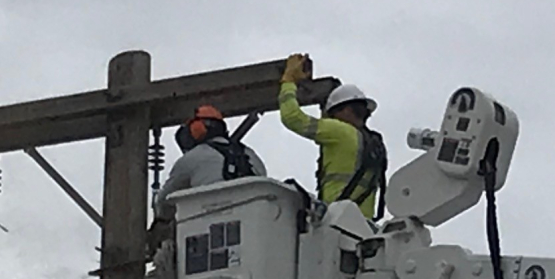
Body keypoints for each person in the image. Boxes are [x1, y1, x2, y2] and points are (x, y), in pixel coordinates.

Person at [278, 53, 388, 220]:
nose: (329, 119)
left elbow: (292, 118)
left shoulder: (340, 132)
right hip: (361, 226)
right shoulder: (371, 142)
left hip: (335, 223)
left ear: (344, 110)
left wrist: (288, 81)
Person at [151, 105, 266, 222]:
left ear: (197, 129)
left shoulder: (192, 158)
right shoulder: (251, 155)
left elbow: (163, 203)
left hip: (210, 228)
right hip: (256, 227)